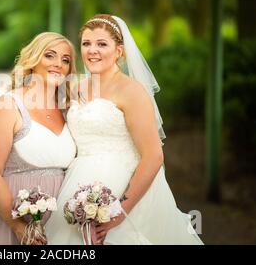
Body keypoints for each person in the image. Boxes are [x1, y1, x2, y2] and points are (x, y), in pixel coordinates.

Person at [45, 14, 203, 245]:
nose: (92, 50)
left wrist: (121, 209)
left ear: (119, 51)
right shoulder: (76, 88)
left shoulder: (132, 92)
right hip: (76, 185)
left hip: (123, 189)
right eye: (86, 44)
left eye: (102, 44)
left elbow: (153, 155)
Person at [0, 32, 77, 244]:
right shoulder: (7, 105)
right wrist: (18, 226)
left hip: (61, 227)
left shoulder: (68, 110)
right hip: (10, 220)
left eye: (65, 60)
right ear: (33, 59)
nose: (58, 63)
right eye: (50, 56)